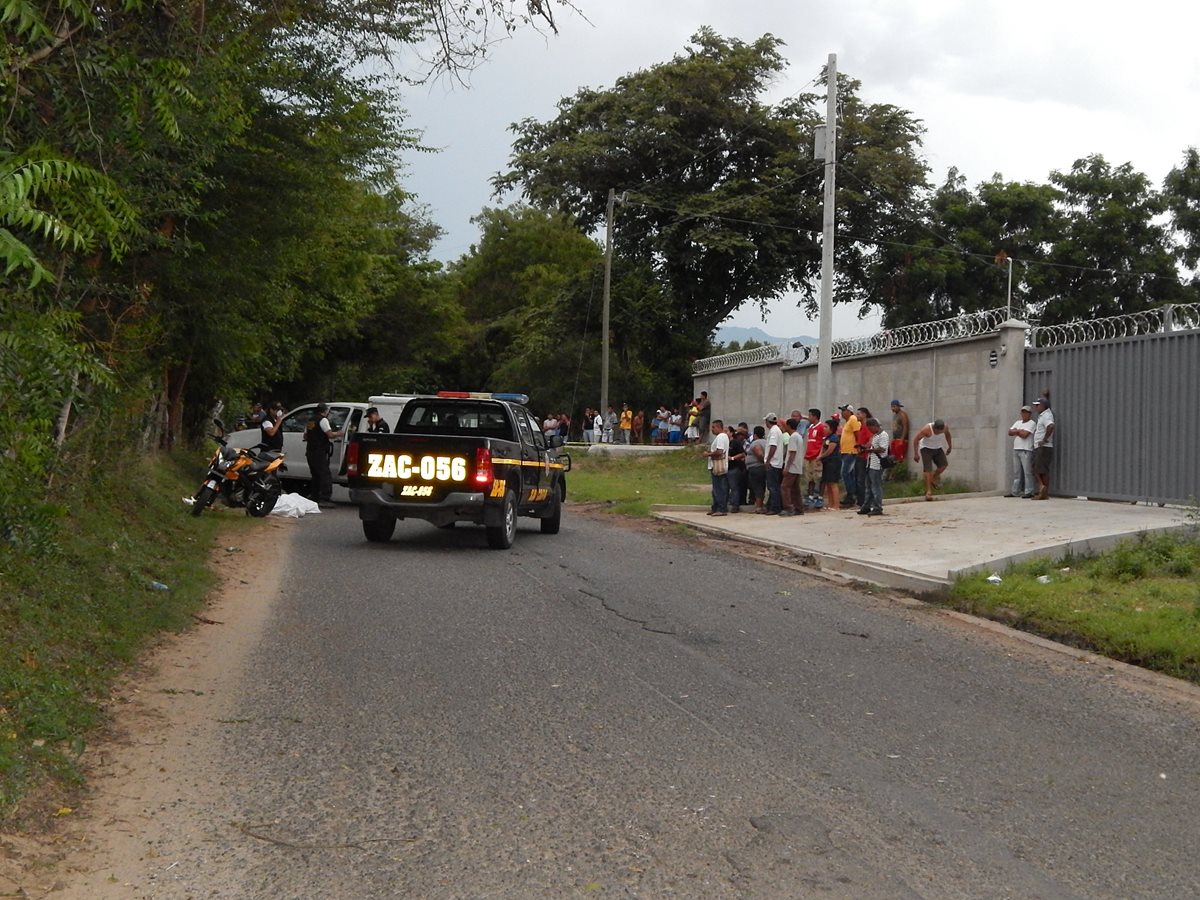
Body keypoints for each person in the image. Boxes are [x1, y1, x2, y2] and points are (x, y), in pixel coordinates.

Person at [304, 402, 343, 508]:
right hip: (320, 452)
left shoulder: (311, 420)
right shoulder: (323, 420)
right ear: (325, 411)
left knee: (315, 475)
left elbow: (306, 435)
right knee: (325, 475)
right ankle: (324, 498)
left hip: (310, 451)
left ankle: (315, 496)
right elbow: (329, 434)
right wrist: (339, 433)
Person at [913, 418, 952, 501]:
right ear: (934, 428)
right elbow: (916, 440)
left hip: (938, 447)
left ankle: (933, 477)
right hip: (926, 448)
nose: (939, 433)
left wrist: (950, 446)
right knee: (928, 470)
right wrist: (916, 453)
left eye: (940, 432)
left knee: (943, 465)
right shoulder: (927, 429)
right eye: (937, 432)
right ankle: (928, 492)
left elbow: (948, 435)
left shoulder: (945, 428)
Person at [859, 417, 890, 516]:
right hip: (871, 463)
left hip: (877, 464)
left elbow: (882, 449)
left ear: (875, 426)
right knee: (868, 486)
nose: (870, 431)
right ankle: (866, 506)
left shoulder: (883, 435)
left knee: (876, 486)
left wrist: (869, 451)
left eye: (870, 428)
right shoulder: (876, 435)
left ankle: (877, 507)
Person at [1030, 394, 1056, 500]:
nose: (1036, 407)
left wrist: (1044, 440)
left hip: (1043, 447)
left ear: (1043, 406)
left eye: (1038, 405)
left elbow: (1050, 426)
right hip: (1040, 447)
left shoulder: (1046, 416)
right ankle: (1043, 490)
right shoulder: (1044, 415)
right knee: (1040, 469)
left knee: (1037, 469)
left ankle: (1042, 488)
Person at [703, 419, 730, 516]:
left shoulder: (721, 437)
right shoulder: (722, 437)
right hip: (715, 466)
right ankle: (715, 507)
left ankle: (721, 508)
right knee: (716, 488)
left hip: (718, 466)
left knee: (719, 488)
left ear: (719, 427)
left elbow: (719, 451)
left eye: (713, 427)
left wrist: (708, 454)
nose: (712, 429)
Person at [1007, 405, 1035, 497]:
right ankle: (1015, 491)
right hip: (1016, 449)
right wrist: (1019, 431)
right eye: (1022, 412)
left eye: (1026, 412)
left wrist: (1016, 431)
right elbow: (1009, 432)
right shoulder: (1018, 422)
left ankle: (1029, 491)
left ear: (1030, 414)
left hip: (1026, 449)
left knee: (1027, 472)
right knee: (1017, 472)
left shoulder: (1032, 423)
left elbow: (1025, 435)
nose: (1024, 414)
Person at [837, 403, 861, 509]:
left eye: (843, 410)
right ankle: (851, 494)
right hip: (845, 451)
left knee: (845, 473)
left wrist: (858, 446)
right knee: (849, 474)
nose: (842, 413)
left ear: (849, 411)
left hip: (851, 451)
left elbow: (857, 433)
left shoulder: (853, 419)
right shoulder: (847, 422)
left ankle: (851, 494)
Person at [780, 417, 805, 516]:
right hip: (797, 466)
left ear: (789, 426)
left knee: (784, 486)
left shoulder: (793, 437)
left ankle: (788, 507)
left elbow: (792, 453)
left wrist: (787, 467)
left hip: (792, 467)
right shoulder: (798, 436)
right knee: (795, 488)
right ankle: (799, 508)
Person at [803, 408, 827, 505]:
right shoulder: (811, 427)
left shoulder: (821, 427)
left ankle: (820, 497)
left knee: (819, 477)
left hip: (816, 456)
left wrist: (820, 455)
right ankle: (810, 496)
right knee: (810, 478)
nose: (808, 418)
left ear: (814, 417)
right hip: (809, 456)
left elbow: (824, 442)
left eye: (810, 416)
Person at [763, 413, 785, 514]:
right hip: (777, 462)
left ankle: (775, 507)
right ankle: (771, 506)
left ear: (768, 422)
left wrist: (768, 460)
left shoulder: (773, 431)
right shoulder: (777, 430)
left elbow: (773, 446)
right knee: (774, 486)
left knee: (772, 486)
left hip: (773, 462)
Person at [818, 417, 841, 511]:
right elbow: (823, 448)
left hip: (833, 462)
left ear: (831, 428)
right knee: (828, 483)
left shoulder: (834, 438)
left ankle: (836, 505)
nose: (824, 429)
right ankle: (830, 504)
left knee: (833, 483)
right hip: (827, 462)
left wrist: (821, 456)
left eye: (826, 427)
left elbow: (830, 450)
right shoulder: (826, 438)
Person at [745, 425, 767, 512]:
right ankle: (760, 505)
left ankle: (759, 506)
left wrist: (763, 460)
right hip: (761, 467)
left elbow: (759, 454)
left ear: (755, 435)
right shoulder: (766, 442)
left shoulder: (756, 443)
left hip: (756, 467)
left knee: (757, 486)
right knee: (761, 486)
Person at [726, 425, 747, 513]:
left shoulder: (735, 443)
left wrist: (732, 458)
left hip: (735, 467)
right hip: (726, 468)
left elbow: (742, 454)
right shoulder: (725, 442)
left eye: (726, 431)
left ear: (731, 433)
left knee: (734, 487)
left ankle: (735, 505)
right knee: (726, 487)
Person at [889, 400, 910, 475]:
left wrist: (902, 439)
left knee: (900, 459)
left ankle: (900, 474)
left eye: (894, 407)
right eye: (892, 407)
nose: (892, 408)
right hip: (895, 439)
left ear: (898, 406)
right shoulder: (895, 415)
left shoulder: (902, 415)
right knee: (894, 458)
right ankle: (894, 474)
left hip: (900, 440)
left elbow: (905, 427)